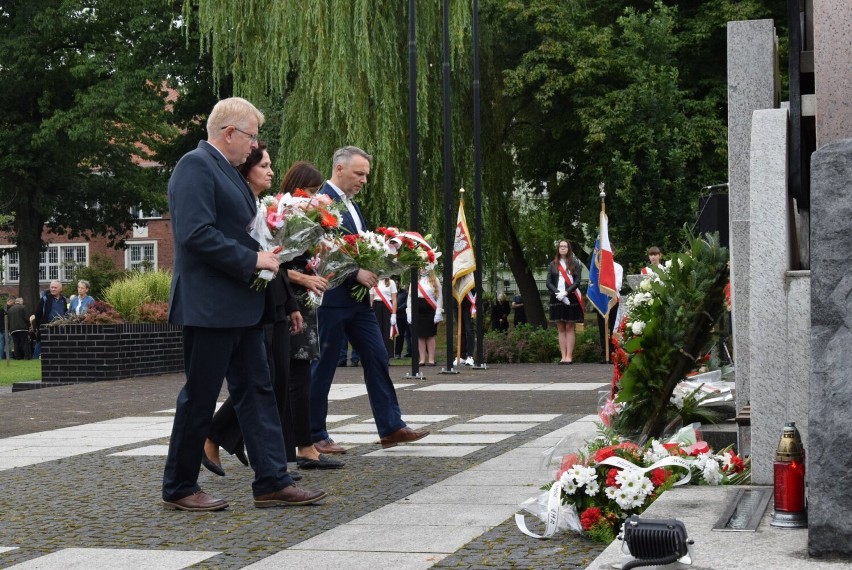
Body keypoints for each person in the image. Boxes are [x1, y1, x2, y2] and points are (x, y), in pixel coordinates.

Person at [162, 97, 324, 512]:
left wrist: (272, 251)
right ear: (229, 132)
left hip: (242, 303)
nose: (254, 147)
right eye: (251, 137)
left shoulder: (229, 173)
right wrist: (253, 258)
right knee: (200, 396)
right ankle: (180, 486)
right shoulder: (194, 166)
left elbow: (243, 230)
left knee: (258, 391)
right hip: (211, 306)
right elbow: (195, 234)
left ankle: (272, 480)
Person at [202, 143, 315, 478]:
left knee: (275, 382)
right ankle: (220, 435)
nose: (270, 171)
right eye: (263, 165)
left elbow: (274, 260)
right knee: (263, 381)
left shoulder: (263, 207)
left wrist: (290, 304)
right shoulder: (245, 209)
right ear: (247, 169)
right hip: (255, 304)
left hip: (275, 303)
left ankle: (267, 459)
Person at [311, 145, 429, 453]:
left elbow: (357, 247)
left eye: (366, 174)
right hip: (333, 298)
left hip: (358, 302)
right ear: (340, 169)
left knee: (378, 356)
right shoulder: (321, 203)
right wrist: (354, 274)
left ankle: (391, 427)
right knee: (323, 365)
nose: (364, 180)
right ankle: (313, 433)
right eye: (359, 173)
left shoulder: (351, 205)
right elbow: (324, 250)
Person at [279, 160, 344, 470]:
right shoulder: (282, 216)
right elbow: (275, 263)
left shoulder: (302, 218)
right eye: (313, 190)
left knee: (296, 377)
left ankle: (303, 446)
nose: (315, 196)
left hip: (304, 303)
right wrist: (305, 278)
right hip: (290, 303)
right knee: (292, 378)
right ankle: (302, 446)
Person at [546, 239, 584, 364]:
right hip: (557, 298)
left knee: (569, 326)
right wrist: (558, 293)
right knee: (560, 328)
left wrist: (566, 292)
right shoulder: (553, 264)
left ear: (569, 249)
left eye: (565, 246)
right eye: (560, 246)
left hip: (570, 297)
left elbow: (577, 281)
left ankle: (569, 356)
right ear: (558, 249)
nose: (562, 248)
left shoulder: (575, 263)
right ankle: (563, 356)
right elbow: (548, 282)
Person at [409, 268, 442, 366]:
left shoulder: (434, 279)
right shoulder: (415, 280)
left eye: (424, 267)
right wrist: (409, 313)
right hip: (418, 311)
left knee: (430, 336)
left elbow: (439, 296)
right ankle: (422, 359)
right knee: (420, 336)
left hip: (430, 310)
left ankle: (431, 359)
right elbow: (410, 298)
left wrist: (438, 312)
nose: (422, 269)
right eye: (421, 267)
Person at [597, 257, 624, 363]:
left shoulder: (617, 267)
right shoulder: (598, 266)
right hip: (601, 300)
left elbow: (618, 284)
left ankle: (613, 353)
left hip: (613, 299)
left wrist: (606, 287)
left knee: (613, 327)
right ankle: (604, 353)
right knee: (602, 328)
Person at [33, 280, 68, 358]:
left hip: (59, 327)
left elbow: (65, 312)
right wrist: (41, 326)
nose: (53, 289)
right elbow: (38, 314)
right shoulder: (45, 299)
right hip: (47, 326)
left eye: (55, 287)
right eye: (52, 287)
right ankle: (35, 359)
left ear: (60, 289)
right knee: (40, 343)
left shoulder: (64, 300)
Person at [371, 277, 398, 362]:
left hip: (387, 307)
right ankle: (377, 356)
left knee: (387, 332)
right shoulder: (373, 281)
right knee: (376, 332)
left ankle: (387, 357)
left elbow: (394, 299)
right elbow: (371, 300)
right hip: (376, 306)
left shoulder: (391, 282)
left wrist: (393, 314)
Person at [454, 289, 475, 367]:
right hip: (456, 300)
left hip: (467, 301)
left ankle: (470, 355)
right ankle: (462, 355)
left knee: (468, 329)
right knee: (460, 330)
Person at [393, 283, 411, 359]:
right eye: (395, 282)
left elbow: (406, 303)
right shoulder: (389, 292)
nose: (396, 284)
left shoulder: (404, 293)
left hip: (401, 316)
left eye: (397, 283)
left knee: (400, 335)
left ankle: (398, 353)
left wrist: (397, 309)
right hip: (390, 315)